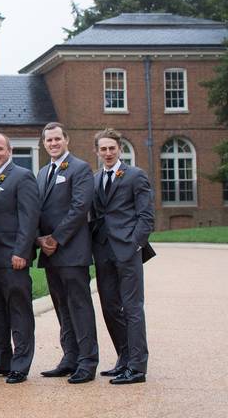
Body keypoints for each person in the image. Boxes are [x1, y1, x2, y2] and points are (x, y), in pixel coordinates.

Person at [35, 122, 99, 384]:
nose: (53, 144)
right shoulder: (41, 173)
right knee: (61, 307)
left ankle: (87, 361)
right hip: (50, 254)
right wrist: (39, 239)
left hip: (72, 251)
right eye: (49, 140)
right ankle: (69, 357)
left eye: (57, 139)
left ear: (66, 140)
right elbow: (37, 210)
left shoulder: (80, 168)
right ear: (44, 143)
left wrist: (56, 238)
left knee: (79, 306)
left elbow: (79, 207)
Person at [0, 133, 40, 384]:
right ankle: (0, 359)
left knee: (18, 310)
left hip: (12, 257)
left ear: (9, 150)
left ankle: (20, 364)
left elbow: (29, 217)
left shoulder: (22, 176)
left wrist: (22, 252)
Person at [91, 128, 153, 385]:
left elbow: (146, 216)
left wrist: (135, 245)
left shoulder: (135, 176)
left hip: (127, 250)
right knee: (109, 307)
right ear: (97, 151)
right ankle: (124, 358)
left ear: (120, 149)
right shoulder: (94, 179)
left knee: (132, 307)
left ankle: (137, 367)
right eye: (103, 149)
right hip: (103, 250)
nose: (107, 153)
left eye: (111, 148)